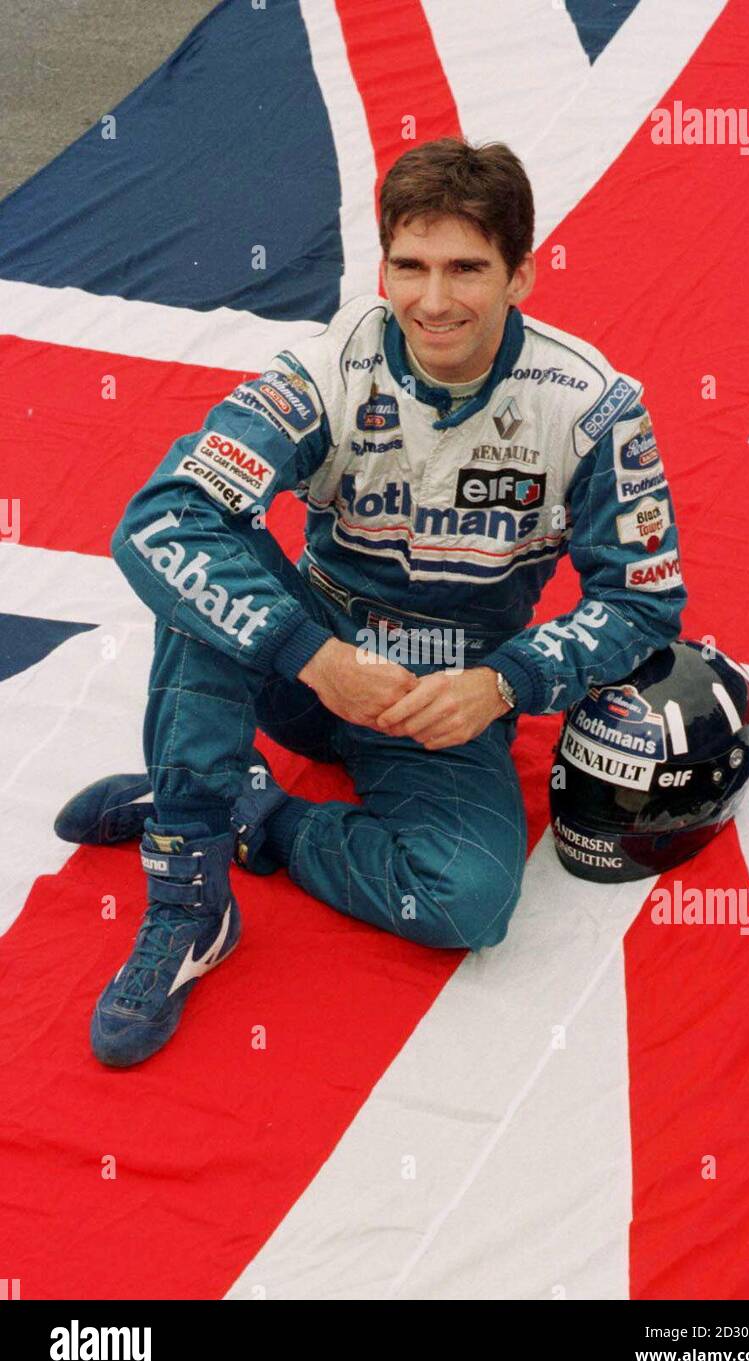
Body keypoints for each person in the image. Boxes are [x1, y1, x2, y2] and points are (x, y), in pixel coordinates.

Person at [56, 137, 687, 1066]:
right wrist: (311, 655)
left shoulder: (593, 405)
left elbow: (642, 605)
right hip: (311, 646)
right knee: (200, 554)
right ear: (383, 265)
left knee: (469, 901)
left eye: (467, 268)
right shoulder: (324, 370)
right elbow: (160, 521)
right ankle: (189, 889)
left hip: (445, 693)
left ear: (523, 275)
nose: (434, 301)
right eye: (411, 266)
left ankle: (247, 811)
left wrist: (505, 684)